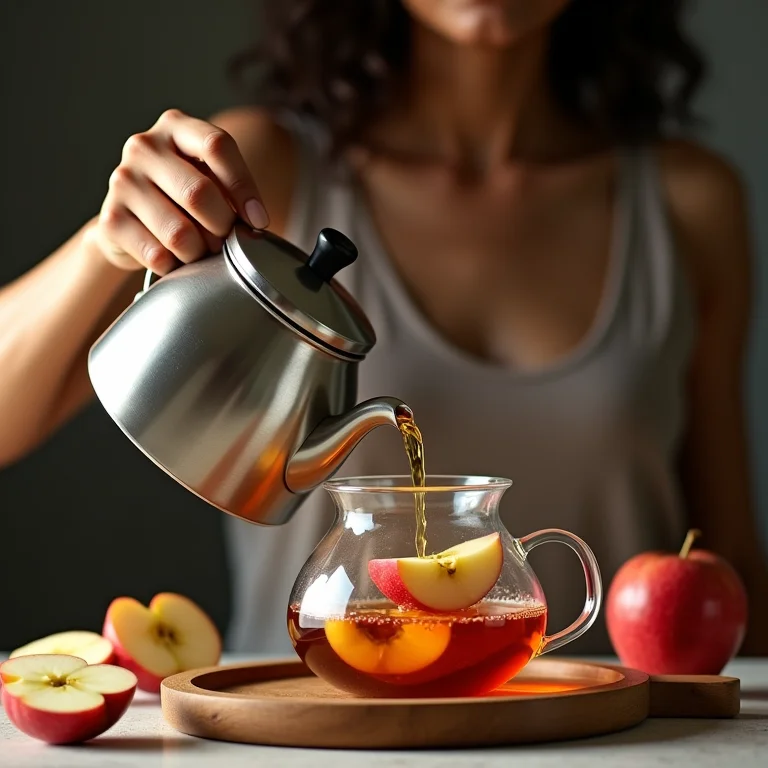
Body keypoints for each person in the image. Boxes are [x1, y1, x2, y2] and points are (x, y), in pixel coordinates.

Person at [0, 0, 766, 656]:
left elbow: (729, 556)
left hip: (613, 745)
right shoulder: (262, 173)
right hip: (305, 740)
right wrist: (105, 248)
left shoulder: (688, 204)